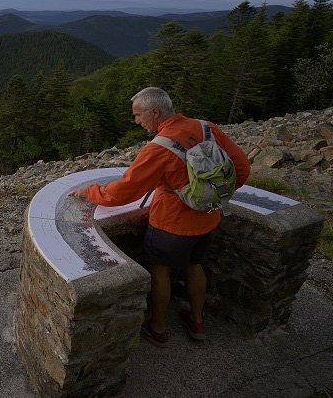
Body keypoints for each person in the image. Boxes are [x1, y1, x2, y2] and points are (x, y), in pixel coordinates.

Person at [67, 87, 250, 347]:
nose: (136, 121)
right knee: (195, 266)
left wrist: (90, 191)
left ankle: (158, 328)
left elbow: (124, 191)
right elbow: (241, 167)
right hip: (210, 218)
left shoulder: (159, 148)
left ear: (155, 112)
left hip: (171, 224)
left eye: (138, 115)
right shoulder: (205, 127)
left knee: (160, 271)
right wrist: (214, 197)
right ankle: (197, 322)